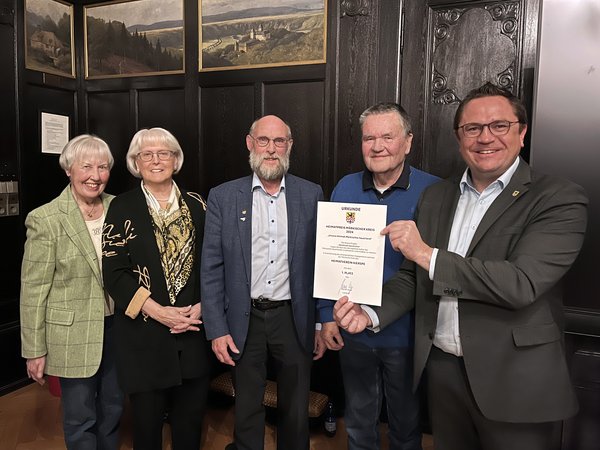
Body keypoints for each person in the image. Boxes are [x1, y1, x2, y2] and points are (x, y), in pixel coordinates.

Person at [334, 82, 588, 450]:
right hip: (443, 374)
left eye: (498, 125)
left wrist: (427, 254)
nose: (485, 138)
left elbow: (521, 283)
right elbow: (413, 278)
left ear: (522, 132)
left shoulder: (557, 198)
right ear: (459, 137)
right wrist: (369, 313)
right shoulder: (438, 196)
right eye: (472, 128)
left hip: (513, 381)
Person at [318, 103, 439, 450]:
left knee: (405, 424)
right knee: (358, 422)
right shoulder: (345, 186)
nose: (377, 145)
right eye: (369, 137)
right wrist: (327, 317)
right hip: (353, 333)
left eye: (388, 136)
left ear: (408, 142)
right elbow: (328, 257)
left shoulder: (434, 192)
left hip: (407, 335)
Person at [201, 115, 326, 450]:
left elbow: (320, 266)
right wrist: (216, 328)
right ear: (250, 143)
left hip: (293, 317)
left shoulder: (311, 195)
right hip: (244, 318)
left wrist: (318, 322)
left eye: (279, 141)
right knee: (247, 406)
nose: (271, 150)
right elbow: (211, 267)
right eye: (264, 141)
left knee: (296, 409)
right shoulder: (223, 197)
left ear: (290, 146)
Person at [102, 127, 211, 450]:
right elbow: (115, 272)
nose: (155, 160)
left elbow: (214, 260)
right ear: (136, 163)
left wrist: (205, 304)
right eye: (146, 154)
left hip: (194, 330)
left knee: (190, 424)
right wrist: (159, 312)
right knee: (147, 430)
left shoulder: (198, 205)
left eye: (163, 153)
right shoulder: (121, 207)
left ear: (176, 160)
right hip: (144, 337)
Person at [20, 134, 124, 449]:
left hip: (119, 328)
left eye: (103, 167)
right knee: (80, 418)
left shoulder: (120, 208)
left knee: (114, 408)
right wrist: (34, 349)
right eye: (86, 166)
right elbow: (33, 289)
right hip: (72, 333)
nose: (95, 175)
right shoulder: (45, 219)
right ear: (68, 169)